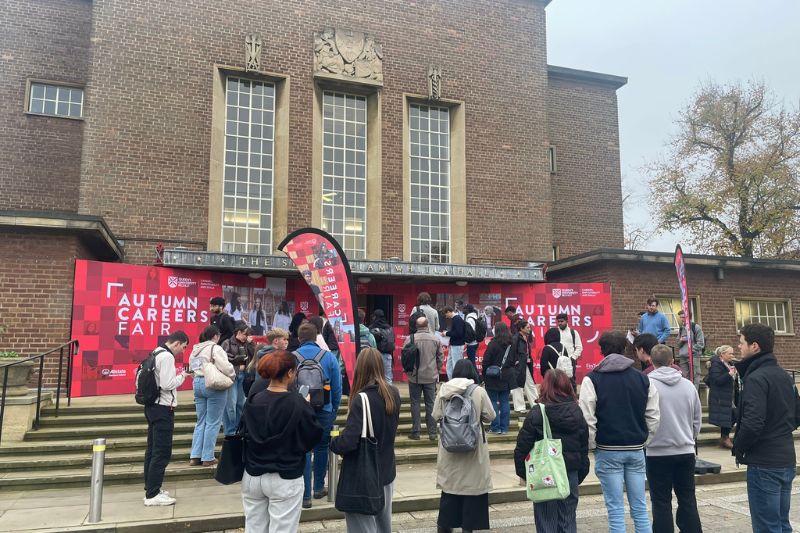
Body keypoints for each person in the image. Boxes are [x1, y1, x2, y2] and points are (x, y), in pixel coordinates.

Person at [578, 330, 660, 533]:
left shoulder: (592, 379)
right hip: (636, 448)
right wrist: (645, 439)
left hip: (608, 448)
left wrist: (592, 444)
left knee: (615, 510)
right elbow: (653, 416)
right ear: (625, 349)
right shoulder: (643, 379)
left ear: (601, 350)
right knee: (640, 508)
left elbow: (587, 418)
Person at [241, 350, 323, 532]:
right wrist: (306, 406)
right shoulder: (298, 403)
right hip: (285, 475)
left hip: (253, 474)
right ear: (290, 373)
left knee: (254, 528)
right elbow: (313, 435)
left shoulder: (253, 400)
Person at [733, 323, 800, 533]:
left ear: (755, 346)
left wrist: (739, 446)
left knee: (767, 527)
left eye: (741, 342)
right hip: (785, 458)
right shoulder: (785, 376)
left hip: (764, 463)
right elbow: (796, 415)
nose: (738, 346)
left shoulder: (756, 378)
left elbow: (753, 423)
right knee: (781, 524)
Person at [330, 348, 401, 532]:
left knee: (362, 526)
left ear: (360, 368)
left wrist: (334, 440)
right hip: (386, 471)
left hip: (364, 476)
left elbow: (349, 442)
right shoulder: (393, 393)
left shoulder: (361, 399)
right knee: (383, 526)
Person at [514, 369, 589, 533]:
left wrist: (526, 475)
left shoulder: (537, 413)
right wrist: (579, 473)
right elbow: (583, 446)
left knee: (546, 521)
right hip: (570, 472)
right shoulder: (577, 411)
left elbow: (522, 448)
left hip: (544, 474)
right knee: (568, 519)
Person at [645, 344, 703, 533]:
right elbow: (697, 419)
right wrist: (689, 437)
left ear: (651, 361)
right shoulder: (688, 386)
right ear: (672, 361)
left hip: (656, 452)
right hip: (685, 449)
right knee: (688, 498)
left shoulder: (647, 384)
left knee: (661, 501)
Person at [433, 360, 496, 533]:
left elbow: (436, 415)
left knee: (450, 492)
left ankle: (445, 526)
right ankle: (468, 528)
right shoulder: (478, 391)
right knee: (472, 493)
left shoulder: (444, 390)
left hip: (449, 451)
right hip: (473, 452)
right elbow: (490, 416)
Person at [295, 322, 342, 509]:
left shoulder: (292, 357)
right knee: (322, 447)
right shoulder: (328, 357)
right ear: (316, 337)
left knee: (304, 449)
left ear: (299, 338)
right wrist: (333, 408)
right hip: (324, 408)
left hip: (300, 409)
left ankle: (305, 496)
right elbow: (337, 387)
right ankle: (318, 488)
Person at [143, 330, 190, 506]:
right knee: (162, 452)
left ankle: (151, 488)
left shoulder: (155, 352)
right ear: (177, 343)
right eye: (183, 347)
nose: (182, 351)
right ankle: (153, 494)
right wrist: (183, 376)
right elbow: (167, 384)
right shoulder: (167, 356)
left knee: (152, 450)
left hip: (151, 406)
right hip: (163, 408)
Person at [189, 326, 236, 467]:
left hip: (197, 383)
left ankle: (195, 456)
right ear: (215, 336)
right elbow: (226, 367)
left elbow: (192, 368)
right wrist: (232, 375)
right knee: (213, 422)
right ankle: (208, 457)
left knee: (201, 421)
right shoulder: (215, 348)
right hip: (213, 383)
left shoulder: (195, 349)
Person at [404, 316, 444, 441]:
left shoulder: (410, 339)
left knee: (415, 403)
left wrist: (408, 371)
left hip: (414, 377)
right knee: (430, 404)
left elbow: (405, 357)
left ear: (416, 326)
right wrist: (436, 370)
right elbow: (440, 357)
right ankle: (432, 433)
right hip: (430, 376)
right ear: (427, 325)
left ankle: (416, 432)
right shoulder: (435, 339)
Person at [221, 321, 255, 436]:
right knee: (231, 404)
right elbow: (223, 358)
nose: (247, 337)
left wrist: (250, 344)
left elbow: (254, 355)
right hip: (232, 376)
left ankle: (239, 429)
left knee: (241, 403)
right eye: (245, 334)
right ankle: (230, 430)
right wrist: (236, 360)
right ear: (238, 332)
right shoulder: (227, 342)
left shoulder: (247, 343)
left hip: (244, 376)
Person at [482, 322, 515, 434]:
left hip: (492, 377)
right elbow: (514, 360)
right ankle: (504, 428)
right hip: (507, 377)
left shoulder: (493, 344)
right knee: (505, 401)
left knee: (492, 401)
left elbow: (486, 361)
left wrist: (484, 374)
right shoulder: (511, 343)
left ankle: (495, 427)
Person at [706, 345, 737, 449]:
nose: (732, 355)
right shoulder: (716, 364)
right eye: (730, 353)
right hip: (720, 396)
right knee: (731, 415)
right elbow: (716, 380)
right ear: (722, 354)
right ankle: (725, 438)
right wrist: (729, 374)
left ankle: (724, 438)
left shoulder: (729, 364)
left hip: (730, 395)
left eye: (732, 353)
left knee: (732, 415)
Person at [248, 328, 289, 398]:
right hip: (270, 395)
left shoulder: (264, 354)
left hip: (260, 394)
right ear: (276, 341)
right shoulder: (274, 357)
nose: (287, 342)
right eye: (284, 339)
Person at [512, 320, 538, 412]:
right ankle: (519, 407)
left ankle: (536, 405)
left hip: (525, 364)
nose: (530, 329)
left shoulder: (525, 337)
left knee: (530, 384)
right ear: (521, 328)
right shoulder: (515, 338)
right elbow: (512, 351)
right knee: (517, 386)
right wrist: (516, 361)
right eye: (528, 327)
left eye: (529, 327)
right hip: (518, 366)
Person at [677, 310, 704, 386]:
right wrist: (681, 340)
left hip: (694, 356)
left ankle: (694, 392)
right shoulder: (681, 328)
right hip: (683, 357)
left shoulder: (696, 327)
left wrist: (690, 350)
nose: (682, 319)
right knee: (684, 377)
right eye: (680, 317)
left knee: (695, 376)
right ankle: (687, 392)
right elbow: (678, 344)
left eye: (683, 317)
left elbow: (701, 343)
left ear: (689, 317)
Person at [370, 309, 396, 384]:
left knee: (374, 379)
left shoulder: (372, 328)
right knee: (388, 379)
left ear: (375, 317)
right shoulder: (389, 328)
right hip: (388, 356)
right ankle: (388, 391)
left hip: (375, 356)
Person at [557, 313, 582, 388]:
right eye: (558, 321)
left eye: (562, 321)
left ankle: (573, 395)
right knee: (557, 381)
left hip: (570, 360)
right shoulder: (555, 332)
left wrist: (573, 358)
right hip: (557, 360)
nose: (560, 323)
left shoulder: (573, 332)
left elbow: (579, 347)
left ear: (567, 321)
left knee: (571, 381)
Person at [443, 306, 465, 379]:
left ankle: (457, 382)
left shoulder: (457, 319)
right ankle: (451, 381)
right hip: (454, 345)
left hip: (457, 345)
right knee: (449, 365)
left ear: (449, 312)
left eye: (446, 314)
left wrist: (446, 333)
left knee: (456, 365)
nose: (446, 317)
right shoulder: (456, 319)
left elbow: (459, 333)